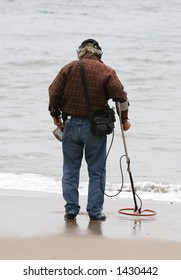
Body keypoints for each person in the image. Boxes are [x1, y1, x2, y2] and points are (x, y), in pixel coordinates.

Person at [48, 39, 131, 222]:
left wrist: (55, 115)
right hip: (95, 128)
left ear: (80, 52)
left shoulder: (68, 69)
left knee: (70, 170)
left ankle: (71, 209)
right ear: (99, 54)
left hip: (70, 125)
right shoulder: (106, 71)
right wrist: (124, 119)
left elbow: (53, 92)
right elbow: (121, 97)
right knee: (97, 171)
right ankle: (94, 212)